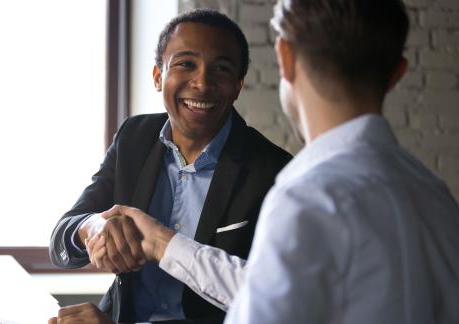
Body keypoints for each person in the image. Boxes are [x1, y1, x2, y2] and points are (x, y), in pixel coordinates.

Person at [91, 0, 459, 323]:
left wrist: (161, 244)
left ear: (285, 58)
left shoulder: (306, 196)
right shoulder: (437, 197)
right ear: (398, 72)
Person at [48, 9, 291, 324]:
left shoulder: (275, 172)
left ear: (238, 86)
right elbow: (61, 238)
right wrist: (94, 227)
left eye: (221, 69)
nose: (202, 83)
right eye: (185, 64)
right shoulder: (134, 137)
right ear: (158, 77)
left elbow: (273, 304)